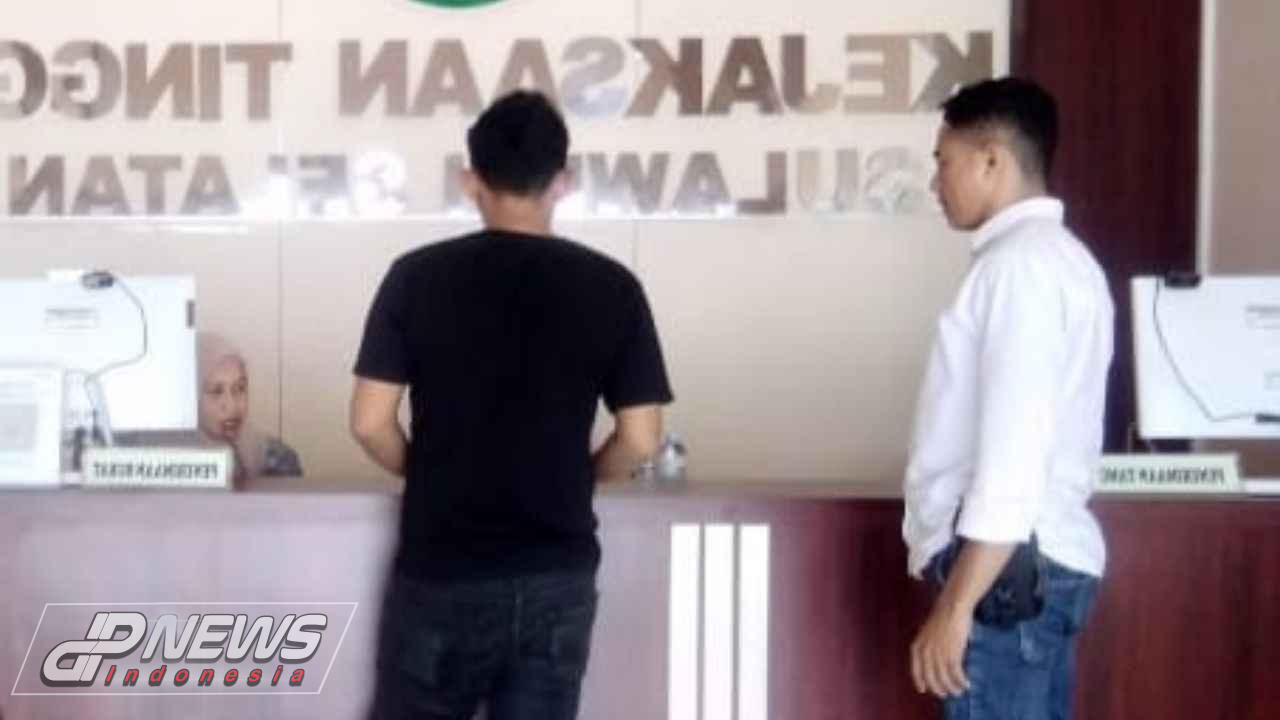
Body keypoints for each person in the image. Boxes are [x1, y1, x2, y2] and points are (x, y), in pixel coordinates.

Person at [350, 90, 673, 720]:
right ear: (563, 182)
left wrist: (427, 470)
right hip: (556, 573)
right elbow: (641, 437)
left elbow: (368, 422)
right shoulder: (613, 287)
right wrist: (586, 475)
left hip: (441, 570)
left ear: (470, 180)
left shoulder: (414, 277)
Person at [903, 77, 1114, 720]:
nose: (935, 182)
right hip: (1026, 574)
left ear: (992, 159)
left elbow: (1012, 455)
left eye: (944, 161)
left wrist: (957, 605)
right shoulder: (1061, 260)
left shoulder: (1018, 269)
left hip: (1007, 581)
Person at [197, 332, 303, 486]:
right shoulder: (172, 462)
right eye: (216, 391)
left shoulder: (278, 459)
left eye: (240, 388)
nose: (232, 405)